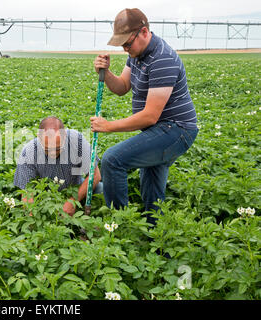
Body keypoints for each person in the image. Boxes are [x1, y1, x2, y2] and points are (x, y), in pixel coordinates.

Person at [90, 8, 199, 226]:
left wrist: (109, 126)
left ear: (144, 32)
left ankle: (119, 225)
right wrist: (106, 72)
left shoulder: (162, 59)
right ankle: (155, 237)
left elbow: (150, 116)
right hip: (159, 130)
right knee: (151, 188)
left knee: (112, 160)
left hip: (176, 131)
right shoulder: (137, 55)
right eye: (122, 45)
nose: (124, 48)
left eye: (127, 43)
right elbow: (122, 87)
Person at [14, 116, 102, 216]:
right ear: (39, 137)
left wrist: (73, 201)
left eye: (57, 149)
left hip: (74, 189)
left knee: (102, 190)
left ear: (64, 135)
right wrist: (32, 218)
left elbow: (95, 175)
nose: (52, 153)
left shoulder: (77, 140)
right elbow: (26, 192)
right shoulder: (29, 152)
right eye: (47, 149)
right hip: (46, 198)